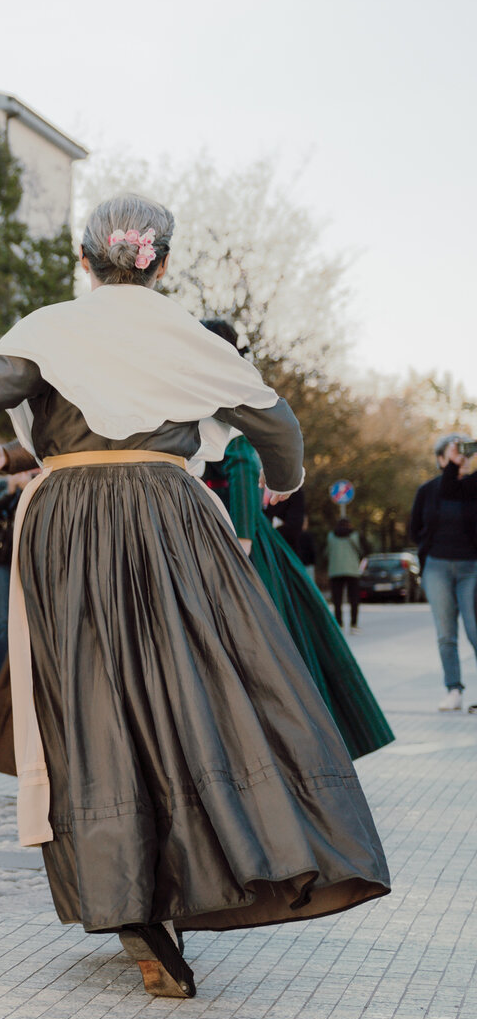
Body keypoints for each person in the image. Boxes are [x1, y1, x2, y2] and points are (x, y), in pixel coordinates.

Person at [0, 192, 389, 1000]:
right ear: (160, 262)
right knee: (197, 689)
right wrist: (285, 484)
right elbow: (279, 427)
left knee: (91, 697)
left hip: (68, 521)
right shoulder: (184, 335)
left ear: (84, 261)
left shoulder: (49, 328)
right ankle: (238, 855)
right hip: (171, 517)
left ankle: (129, 897)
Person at [195, 319, 391, 760]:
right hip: (227, 529)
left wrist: (242, 539)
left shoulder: (220, 389)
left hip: (233, 536)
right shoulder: (230, 386)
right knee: (281, 641)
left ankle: (274, 747)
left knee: (257, 645)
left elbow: (243, 462)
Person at [411, 434, 477, 711]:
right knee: (445, 634)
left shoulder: (473, 487)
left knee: (475, 629)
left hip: (471, 567)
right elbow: (415, 528)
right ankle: (453, 690)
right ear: (441, 459)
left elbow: (456, 489)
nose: (459, 459)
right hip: (437, 566)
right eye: (451, 454)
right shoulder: (429, 490)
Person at [0, 468, 36, 683]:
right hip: (3, 561)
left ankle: (28, 679)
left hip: (32, 558)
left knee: (32, 619)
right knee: (3, 621)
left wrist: (28, 488)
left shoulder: (43, 478)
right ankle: (0, 683)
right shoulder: (4, 486)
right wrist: (10, 492)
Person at [327, 519, 367, 631]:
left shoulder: (331, 536)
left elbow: (327, 552)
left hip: (335, 570)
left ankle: (339, 623)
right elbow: (362, 550)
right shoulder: (354, 535)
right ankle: (354, 624)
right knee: (354, 599)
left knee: (337, 600)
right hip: (352, 570)